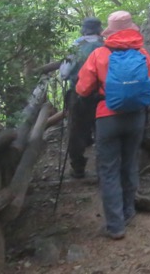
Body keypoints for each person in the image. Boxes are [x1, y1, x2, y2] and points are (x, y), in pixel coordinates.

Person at [76, 11, 150, 240]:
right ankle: (128, 211)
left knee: (109, 169)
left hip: (107, 117)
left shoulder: (99, 54)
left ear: (110, 31)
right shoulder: (142, 53)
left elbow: (83, 88)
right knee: (130, 163)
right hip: (135, 117)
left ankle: (115, 225)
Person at [59, 17, 105, 179]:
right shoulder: (105, 47)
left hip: (78, 94)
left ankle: (78, 167)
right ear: (99, 30)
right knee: (101, 130)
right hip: (101, 95)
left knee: (76, 131)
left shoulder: (76, 47)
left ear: (84, 30)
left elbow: (64, 73)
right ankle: (103, 169)